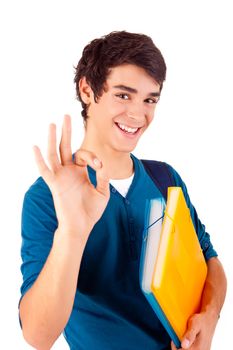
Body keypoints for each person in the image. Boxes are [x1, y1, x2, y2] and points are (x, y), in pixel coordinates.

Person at [19, 31, 227, 350]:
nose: (137, 115)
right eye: (123, 95)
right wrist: (72, 231)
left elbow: (210, 261)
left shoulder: (165, 179)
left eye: (149, 100)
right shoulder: (47, 198)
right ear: (88, 89)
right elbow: (38, 335)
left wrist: (209, 317)